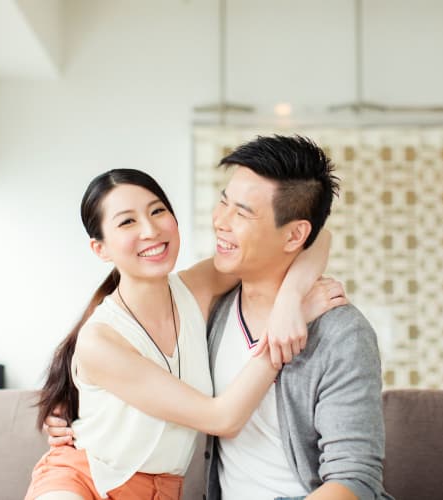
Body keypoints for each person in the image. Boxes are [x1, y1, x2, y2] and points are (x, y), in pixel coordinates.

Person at [26, 167, 343, 500]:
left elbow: (316, 236)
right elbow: (222, 419)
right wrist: (282, 337)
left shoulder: (197, 289)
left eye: (158, 211)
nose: (150, 230)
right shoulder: (101, 340)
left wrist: (290, 303)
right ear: (100, 249)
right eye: (127, 222)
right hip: (83, 481)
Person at [202, 135, 394, 500]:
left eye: (242, 213)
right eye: (223, 203)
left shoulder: (342, 333)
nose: (220, 222)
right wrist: (64, 404)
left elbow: (354, 480)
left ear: (294, 236)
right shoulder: (211, 307)